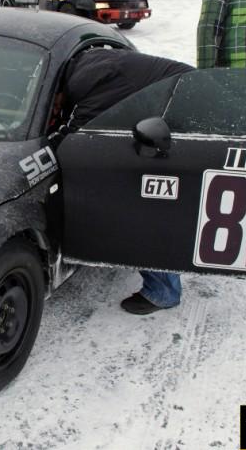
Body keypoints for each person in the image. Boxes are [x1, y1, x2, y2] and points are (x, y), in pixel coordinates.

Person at [51, 48, 195, 315]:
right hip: (177, 104)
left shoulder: (89, 82)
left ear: (56, 90)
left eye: (54, 104)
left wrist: (45, 145)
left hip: (187, 114)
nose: (56, 110)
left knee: (139, 206)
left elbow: (77, 136)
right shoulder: (83, 66)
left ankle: (163, 292)